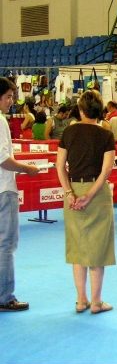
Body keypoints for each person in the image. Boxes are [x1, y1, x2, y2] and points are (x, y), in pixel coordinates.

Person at [56, 90, 116, 314]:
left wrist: (69, 193)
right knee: (97, 249)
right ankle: (96, 302)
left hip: (73, 190)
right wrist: (90, 195)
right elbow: (107, 169)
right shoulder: (105, 134)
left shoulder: (69, 132)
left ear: (80, 110)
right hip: (97, 193)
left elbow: (59, 166)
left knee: (78, 246)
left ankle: (81, 300)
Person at [0, 78, 39, 312]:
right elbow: (4, 160)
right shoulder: (0, 121)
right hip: (4, 189)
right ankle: (5, 297)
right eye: (8, 97)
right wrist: (27, 168)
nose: (11, 102)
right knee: (6, 245)